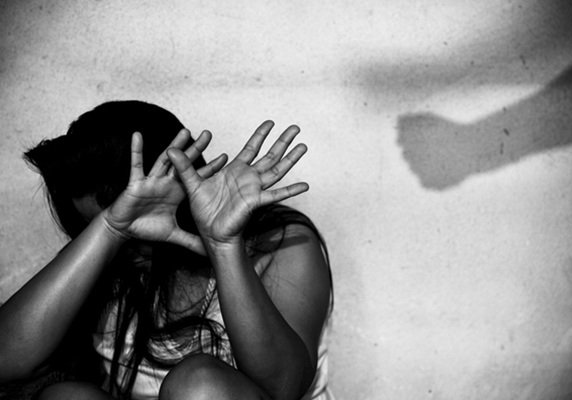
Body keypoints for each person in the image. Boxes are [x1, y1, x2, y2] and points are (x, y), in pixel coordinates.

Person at [0, 101, 333, 400]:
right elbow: (4, 362)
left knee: (199, 386)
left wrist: (223, 245)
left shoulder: (279, 243)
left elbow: (284, 388)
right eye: (92, 227)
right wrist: (109, 230)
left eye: (136, 227)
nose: (127, 248)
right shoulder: (108, 254)